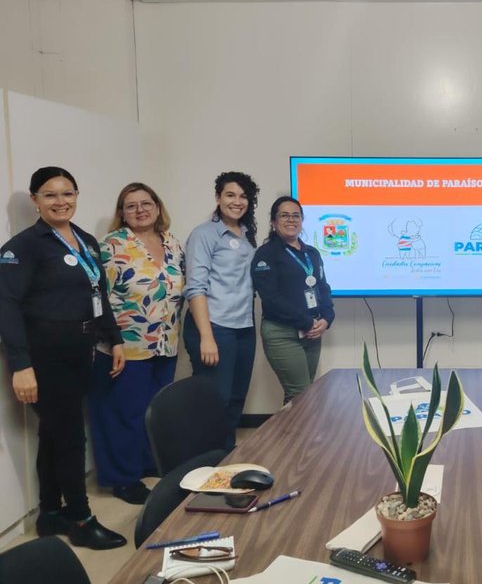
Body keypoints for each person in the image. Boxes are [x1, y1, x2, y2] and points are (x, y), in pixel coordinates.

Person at [0, 167, 127, 549]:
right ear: (35, 201)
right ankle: (81, 519)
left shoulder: (85, 240)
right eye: (50, 195)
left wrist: (114, 338)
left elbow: (98, 293)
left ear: (76, 195)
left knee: (54, 433)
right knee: (70, 436)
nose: (61, 201)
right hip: (44, 357)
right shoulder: (23, 247)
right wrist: (21, 365)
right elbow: (6, 306)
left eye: (67, 193)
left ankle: (50, 512)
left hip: (80, 351)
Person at [88, 183, 185, 505]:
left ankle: (144, 462)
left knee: (151, 411)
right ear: (122, 213)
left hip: (164, 343)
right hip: (124, 347)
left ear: (157, 207)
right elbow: (97, 299)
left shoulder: (171, 242)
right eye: (131, 205)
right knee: (123, 414)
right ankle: (123, 478)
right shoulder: (112, 246)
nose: (140, 210)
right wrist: (111, 340)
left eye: (146, 203)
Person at [183, 171, 259, 449]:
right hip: (214, 327)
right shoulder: (204, 234)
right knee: (215, 400)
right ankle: (204, 460)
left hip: (244, 327)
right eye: (230, 195)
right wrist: (206, 336)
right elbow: (195, 287)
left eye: (243, 196)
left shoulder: (247, 235)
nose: (237, 201)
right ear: (218, 198)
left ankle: (225, 457)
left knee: (236, 398)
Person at [252, 197, 335, 404]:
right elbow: (271, 299)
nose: (291, 220)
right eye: (284, 215)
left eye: (296, 215)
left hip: (312, 332)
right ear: (273, 221)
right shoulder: (266, 254)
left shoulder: (312, 253)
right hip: (282, 333)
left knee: (304, 393)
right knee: (299, 393)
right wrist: (307, 322)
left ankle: (295, 427)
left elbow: (322, 288)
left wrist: (327, 318)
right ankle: (294, 427)